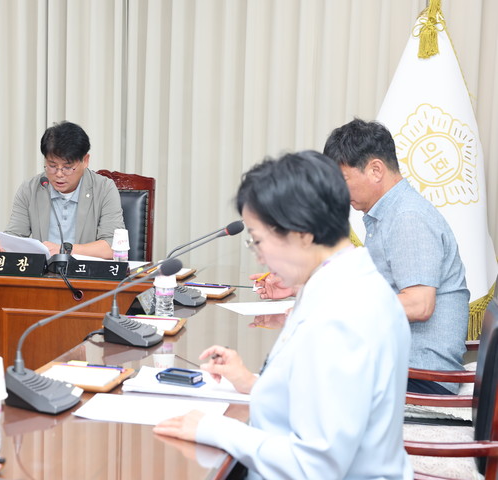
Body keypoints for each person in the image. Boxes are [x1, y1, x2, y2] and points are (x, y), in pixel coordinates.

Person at [154, 151, 412, 479]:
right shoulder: (346, 281)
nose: (259, 258)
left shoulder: (341, 316)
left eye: (258, 240)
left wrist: (215, 429)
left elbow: (316, 466)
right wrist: (253, 384)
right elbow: (323, 399)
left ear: (302, 233)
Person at [323, 118, 468, 394]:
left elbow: (418, 304)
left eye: (342, 180)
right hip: (398, 366)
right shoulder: (388, 214)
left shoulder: (407, 217)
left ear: (376, 170)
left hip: (419, 375)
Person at [0, 121, 124, 259]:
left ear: (85, 160)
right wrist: (2, 246)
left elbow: (112, 247)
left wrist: (65, 250)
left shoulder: (104, 189)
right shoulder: (30, 189)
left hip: (85, 270)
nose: (59, 174)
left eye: (67, 167)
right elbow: (15, 234)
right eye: (52, 166)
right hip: (44, 271)